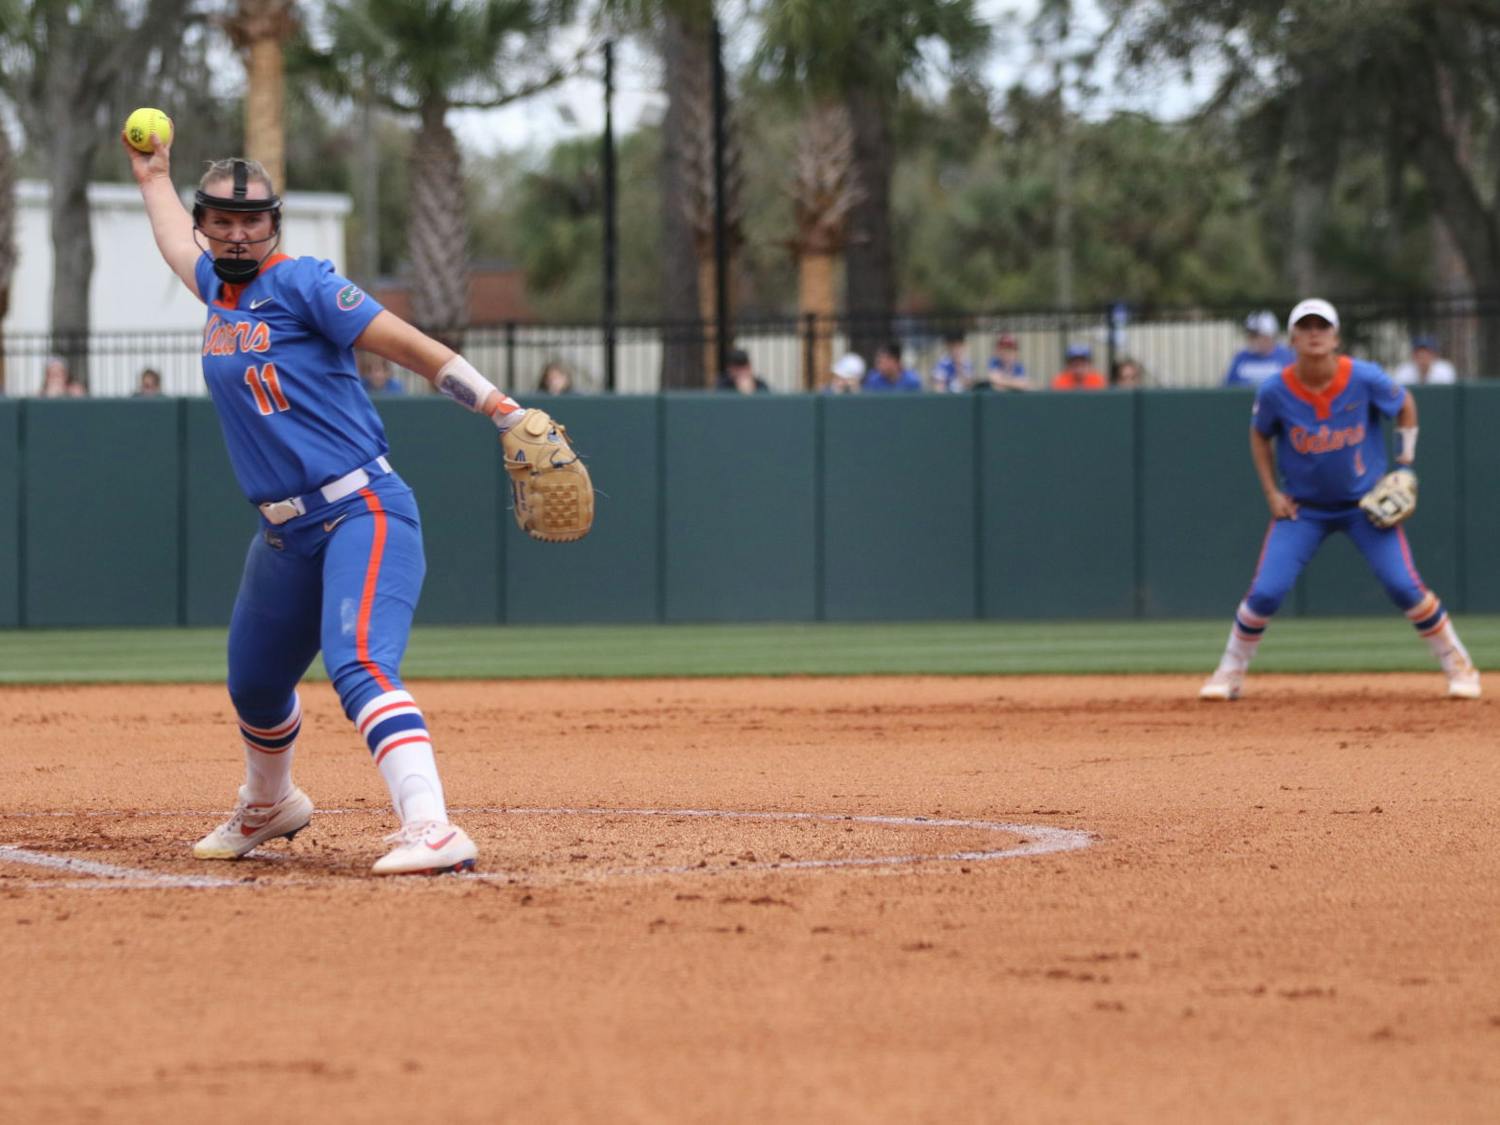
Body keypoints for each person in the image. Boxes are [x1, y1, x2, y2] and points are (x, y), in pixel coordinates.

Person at [123, 126, 571, 875]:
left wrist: (502, 408)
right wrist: (152, 179)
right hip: (283, 535)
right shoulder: (215, 286)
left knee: (358, 661)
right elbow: (174, 243)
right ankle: (270, 803)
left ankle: (432, 825)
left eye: (253, 220)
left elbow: (413, 347)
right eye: (222, 222)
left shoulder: (303, 283)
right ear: (206, 226)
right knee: (255, 682)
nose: (238, 234)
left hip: (360, 510)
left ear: (276, 223)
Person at [1200, 298, 1480, 702]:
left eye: (1322, 326)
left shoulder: (1363, 377)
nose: (1314, 333)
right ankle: (1229, 673)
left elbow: (1405, 405)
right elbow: (1260, 433)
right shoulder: (1276, 389)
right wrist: (1271, 492)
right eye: (1306, 326)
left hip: (1364, 507)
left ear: (1335, 336)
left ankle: (1459, 665)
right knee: (1265, 593)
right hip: (1303, 509)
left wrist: (1405, 461)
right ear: (1293, 337)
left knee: (1405, 586)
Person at [1222, 309, 1295, 386]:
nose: (1250, 339)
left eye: (1255, 335)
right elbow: (1228, 387)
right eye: (1249, 334)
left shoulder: (1286, 357)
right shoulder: (1241, 357)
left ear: (1269, 336)